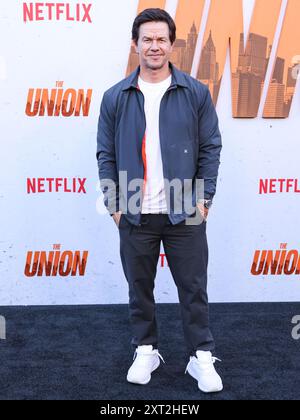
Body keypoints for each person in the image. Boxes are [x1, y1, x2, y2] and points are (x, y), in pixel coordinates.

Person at [96, 8, 223, 393]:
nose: (154, 46)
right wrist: (116, 207)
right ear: (135, 45)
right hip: (134, 211)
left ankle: (200, 356)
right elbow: (106, 154)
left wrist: (203, 201)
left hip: (185, 209)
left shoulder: (195, 92)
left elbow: (210, 148)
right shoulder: (115, 96)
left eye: (161, 39)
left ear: (172, 44)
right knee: (140, 287)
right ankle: (146, 348)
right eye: (147, 39)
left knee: (193, 287)